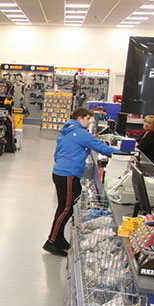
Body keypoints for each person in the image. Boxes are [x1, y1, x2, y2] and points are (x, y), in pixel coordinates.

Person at [44, 107, 122, 256]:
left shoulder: (65, 131)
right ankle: (51, 241)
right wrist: (125, 154)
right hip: (68, 175)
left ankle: (59, 238)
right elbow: (102, 148)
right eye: (87, 119)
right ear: (80, 118)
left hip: (60, 173)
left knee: (65, 207)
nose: (89, 122)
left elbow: (57, 153)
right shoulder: (80, 133)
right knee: (65, 208)